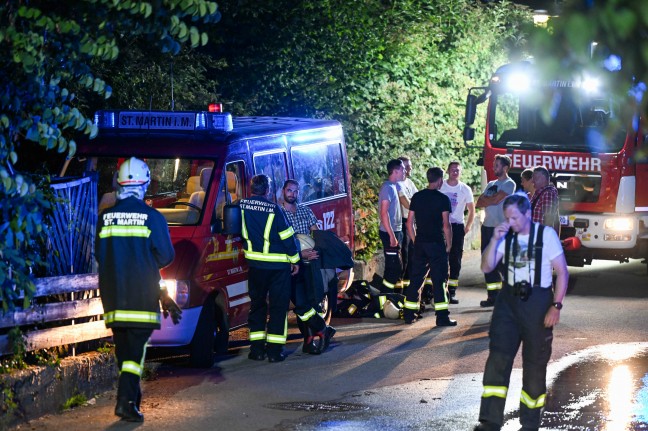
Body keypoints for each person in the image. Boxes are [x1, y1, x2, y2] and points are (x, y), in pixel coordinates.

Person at [95, 157, 180, 422]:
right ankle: (126, 402)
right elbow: (165, 256)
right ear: (144, 185)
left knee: (125, 351)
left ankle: (129, 398)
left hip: (113, 296)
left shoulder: (105, 217)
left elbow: (100, 255)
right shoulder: (152, 217)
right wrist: (145, 261)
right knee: (133, 354)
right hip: (141, 297)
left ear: (118, 185)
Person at [475, 193, 568, 431]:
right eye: (508, 218)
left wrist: (555, 306)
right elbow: (486, 266)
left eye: (515, 217)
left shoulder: (546, 235)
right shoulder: (505, 235)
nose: (511, 222)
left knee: (535, 363)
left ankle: (530, 423)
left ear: (527, 214)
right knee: (498, 358)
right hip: (508, 302)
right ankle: (490, 420)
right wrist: (495, 240)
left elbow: (562, 272)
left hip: (537, 302)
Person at [240, 174, 300, 363]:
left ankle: (256, 350)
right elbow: (287, 236)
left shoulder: (241, 206)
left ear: (251, 189)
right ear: (267, 190)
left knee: (257, 306)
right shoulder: (274, 209)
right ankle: (274, 351)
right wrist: (295, 259)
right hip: (278, 267)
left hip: (255, 265)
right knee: (278, 307)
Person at [280, 179, 336, 355]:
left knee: (310, 302)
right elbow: (280, 241)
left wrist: (315, 249)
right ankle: (323, 329)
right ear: (283, 191)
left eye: (296, 191)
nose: (293, 194)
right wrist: (299, 254)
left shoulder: (305, 210)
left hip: (309, 264)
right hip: (291, 264)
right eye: (289, 190)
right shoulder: (278, 213)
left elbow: (315, 233)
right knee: (301, 304)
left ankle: (309, 341)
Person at [404, 167, 455, 326]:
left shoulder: (417, 197)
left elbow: (409, 222)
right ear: (440, 180)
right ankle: (442, 318)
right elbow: (446, 225)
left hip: (420, 244)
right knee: (439, 281)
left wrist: (414, 240)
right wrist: (449, 245)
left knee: (416, 279)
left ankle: (409, 315)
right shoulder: (442, 199)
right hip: (436, 244)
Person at [475, 154, 515, 307]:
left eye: (497, 165)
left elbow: (497, 200)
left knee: (502, 263)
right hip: (487, 227)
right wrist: (490, 200)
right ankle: (492, 297)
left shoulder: (509, 183)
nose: (494, 167)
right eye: (494, 164)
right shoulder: (491, 183)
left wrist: (489, 200)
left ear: (505, 168)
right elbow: (479, 202)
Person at [440, 160, 475, 304]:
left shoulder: (465, 189)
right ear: (447, 171)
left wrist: (467, 227)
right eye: (453, 169)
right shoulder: (441, 186)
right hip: (441, 227)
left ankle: (451, 292)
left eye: (458, 170)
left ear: (461, 173)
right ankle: (438, 290)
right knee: (440, 259)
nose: (455, 172)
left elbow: (472, 210)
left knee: (455, 260)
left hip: (457, 226)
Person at [377, 159, 406, 296]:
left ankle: (392, 295)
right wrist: (392, 236)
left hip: (396, 231)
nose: (405, 172)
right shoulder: (388, 188)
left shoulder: (395, 186)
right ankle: (385, 295)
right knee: (393, 267)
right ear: (395, 171)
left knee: (397, 266)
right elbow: (384, 213)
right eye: (403, 169)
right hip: (390, 233)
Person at [397, 156, 418, 292]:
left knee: (412, 256)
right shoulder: (398, 185)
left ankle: (409, 288)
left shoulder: (409, 183)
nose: (410, 168)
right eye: (407, 166)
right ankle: (400, 291)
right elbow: (406, 203)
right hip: (404, 223)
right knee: (404, 257)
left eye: (410, 166)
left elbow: (418, 199)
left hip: (412, 222)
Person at [530, 166, 561, 234]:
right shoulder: (541, 193)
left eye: (535, 178)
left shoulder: (547, 193)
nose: (532, 181)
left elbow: (549, 220)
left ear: (543, 178)